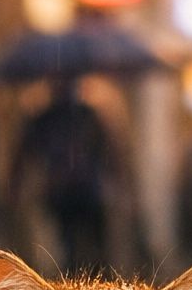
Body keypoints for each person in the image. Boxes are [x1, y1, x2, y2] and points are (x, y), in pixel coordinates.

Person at [9, 77, 120, 272]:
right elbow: (110, 151)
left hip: (76, 191)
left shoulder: (52, 118)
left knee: (83, 247)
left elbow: (108, 151)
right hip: (74, 192)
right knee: (84, 247)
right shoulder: (76, 116)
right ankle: (90, 283)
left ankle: (87, 283)